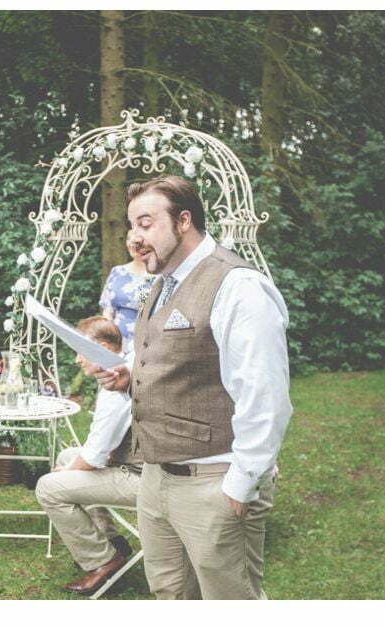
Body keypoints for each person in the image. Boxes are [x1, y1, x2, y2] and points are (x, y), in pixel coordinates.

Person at [83, 174, 292, 600]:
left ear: (183, 221)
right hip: (156, 479)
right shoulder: (163, 284)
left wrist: (240, 486)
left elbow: (264, 396)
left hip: (214, 480)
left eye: (145, 223)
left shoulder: (238, 287)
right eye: (131, 226)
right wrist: (127, 380)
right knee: (171, 596)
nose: (135, 238)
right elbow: (174, 361)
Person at [35, 315, 138, 596]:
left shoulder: (116, 386)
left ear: (102, 347)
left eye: (81, 352)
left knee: (49, 487)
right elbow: (97, 451)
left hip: (145, 478)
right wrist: (71, 466)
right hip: (135, 462)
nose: (77, 360)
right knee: (68, 455)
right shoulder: (123, 369)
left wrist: (67, 474)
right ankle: (112, 540)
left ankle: (102, 561)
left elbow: (94, 457)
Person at [99, 232, 159, 347]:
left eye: (137, 239)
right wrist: (108, 337)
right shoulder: (117, 272)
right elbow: (108, 309)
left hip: (144, 342)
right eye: (129, 239)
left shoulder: (155, 277)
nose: (132, 242)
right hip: (115, 342)